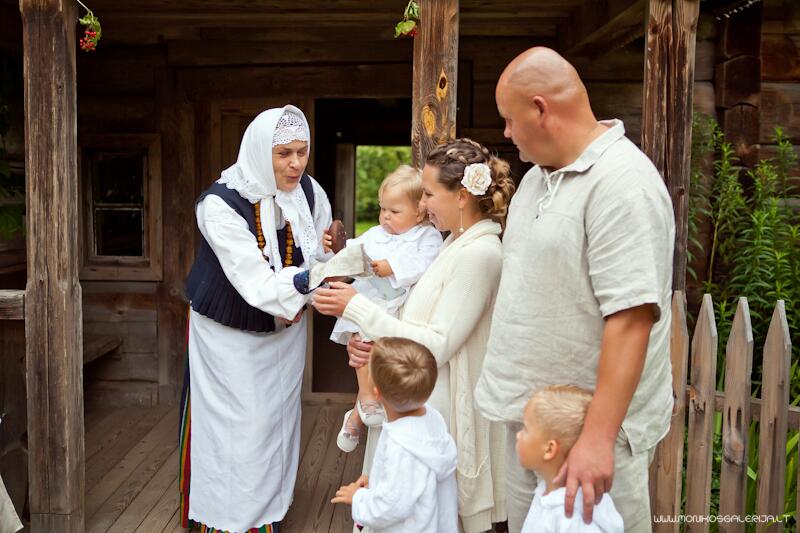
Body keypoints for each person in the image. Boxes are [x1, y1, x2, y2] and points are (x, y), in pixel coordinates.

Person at [473, 47, 675, 533]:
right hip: (538, 430)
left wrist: (597, 440)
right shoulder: (537, 180)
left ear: (541, 109)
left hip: (583, 439)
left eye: (508, 119)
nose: (504, 133)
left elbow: (630, 320)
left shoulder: (623, 184)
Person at [314, 138, 514, 532]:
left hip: (434, 410)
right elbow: (410, 310)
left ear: (461, 196)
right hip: (410, 403)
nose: (421, 205)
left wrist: (357, 308)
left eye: (428, 193)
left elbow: (437, 343)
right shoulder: (453, 244)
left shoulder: (480, 254)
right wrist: (368, 343)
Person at [179, 105, 333, 532]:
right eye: (284, 153)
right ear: (259, 151)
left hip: (285, 329)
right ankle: (225, 521)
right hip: (228, 335)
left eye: (302, 151)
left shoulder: (310, 192)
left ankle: (269, 515)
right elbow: (257, 284)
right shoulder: (219, 205)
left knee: (277, 423)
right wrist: (315, 280)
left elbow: (318, 255)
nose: (296, 163)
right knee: (239, 429)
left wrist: (332, 259)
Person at [329, 165, 442, 452]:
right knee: (364, 348)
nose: (385, 217)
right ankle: (366, 398)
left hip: (397, 307)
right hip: (371, 302)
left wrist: (392, 267)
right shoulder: (376, 234)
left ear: (419, 212)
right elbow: (355, 252)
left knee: (383, 362)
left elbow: (425, 264)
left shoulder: (427, 237)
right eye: (382, 210)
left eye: (394, 211)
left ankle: (356, 415)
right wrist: (338, 248)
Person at [331, 337, 458, 532]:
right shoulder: (433, 419)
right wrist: (377, 480)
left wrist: (358, 498)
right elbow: (410, 479)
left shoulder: (401, 445)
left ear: (377, 393)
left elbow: (390, 507)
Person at [517, 385, 624, 532]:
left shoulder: (573, 518)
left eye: (525, 429)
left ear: (549, 449)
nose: (518, 435)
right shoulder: (547, 491)